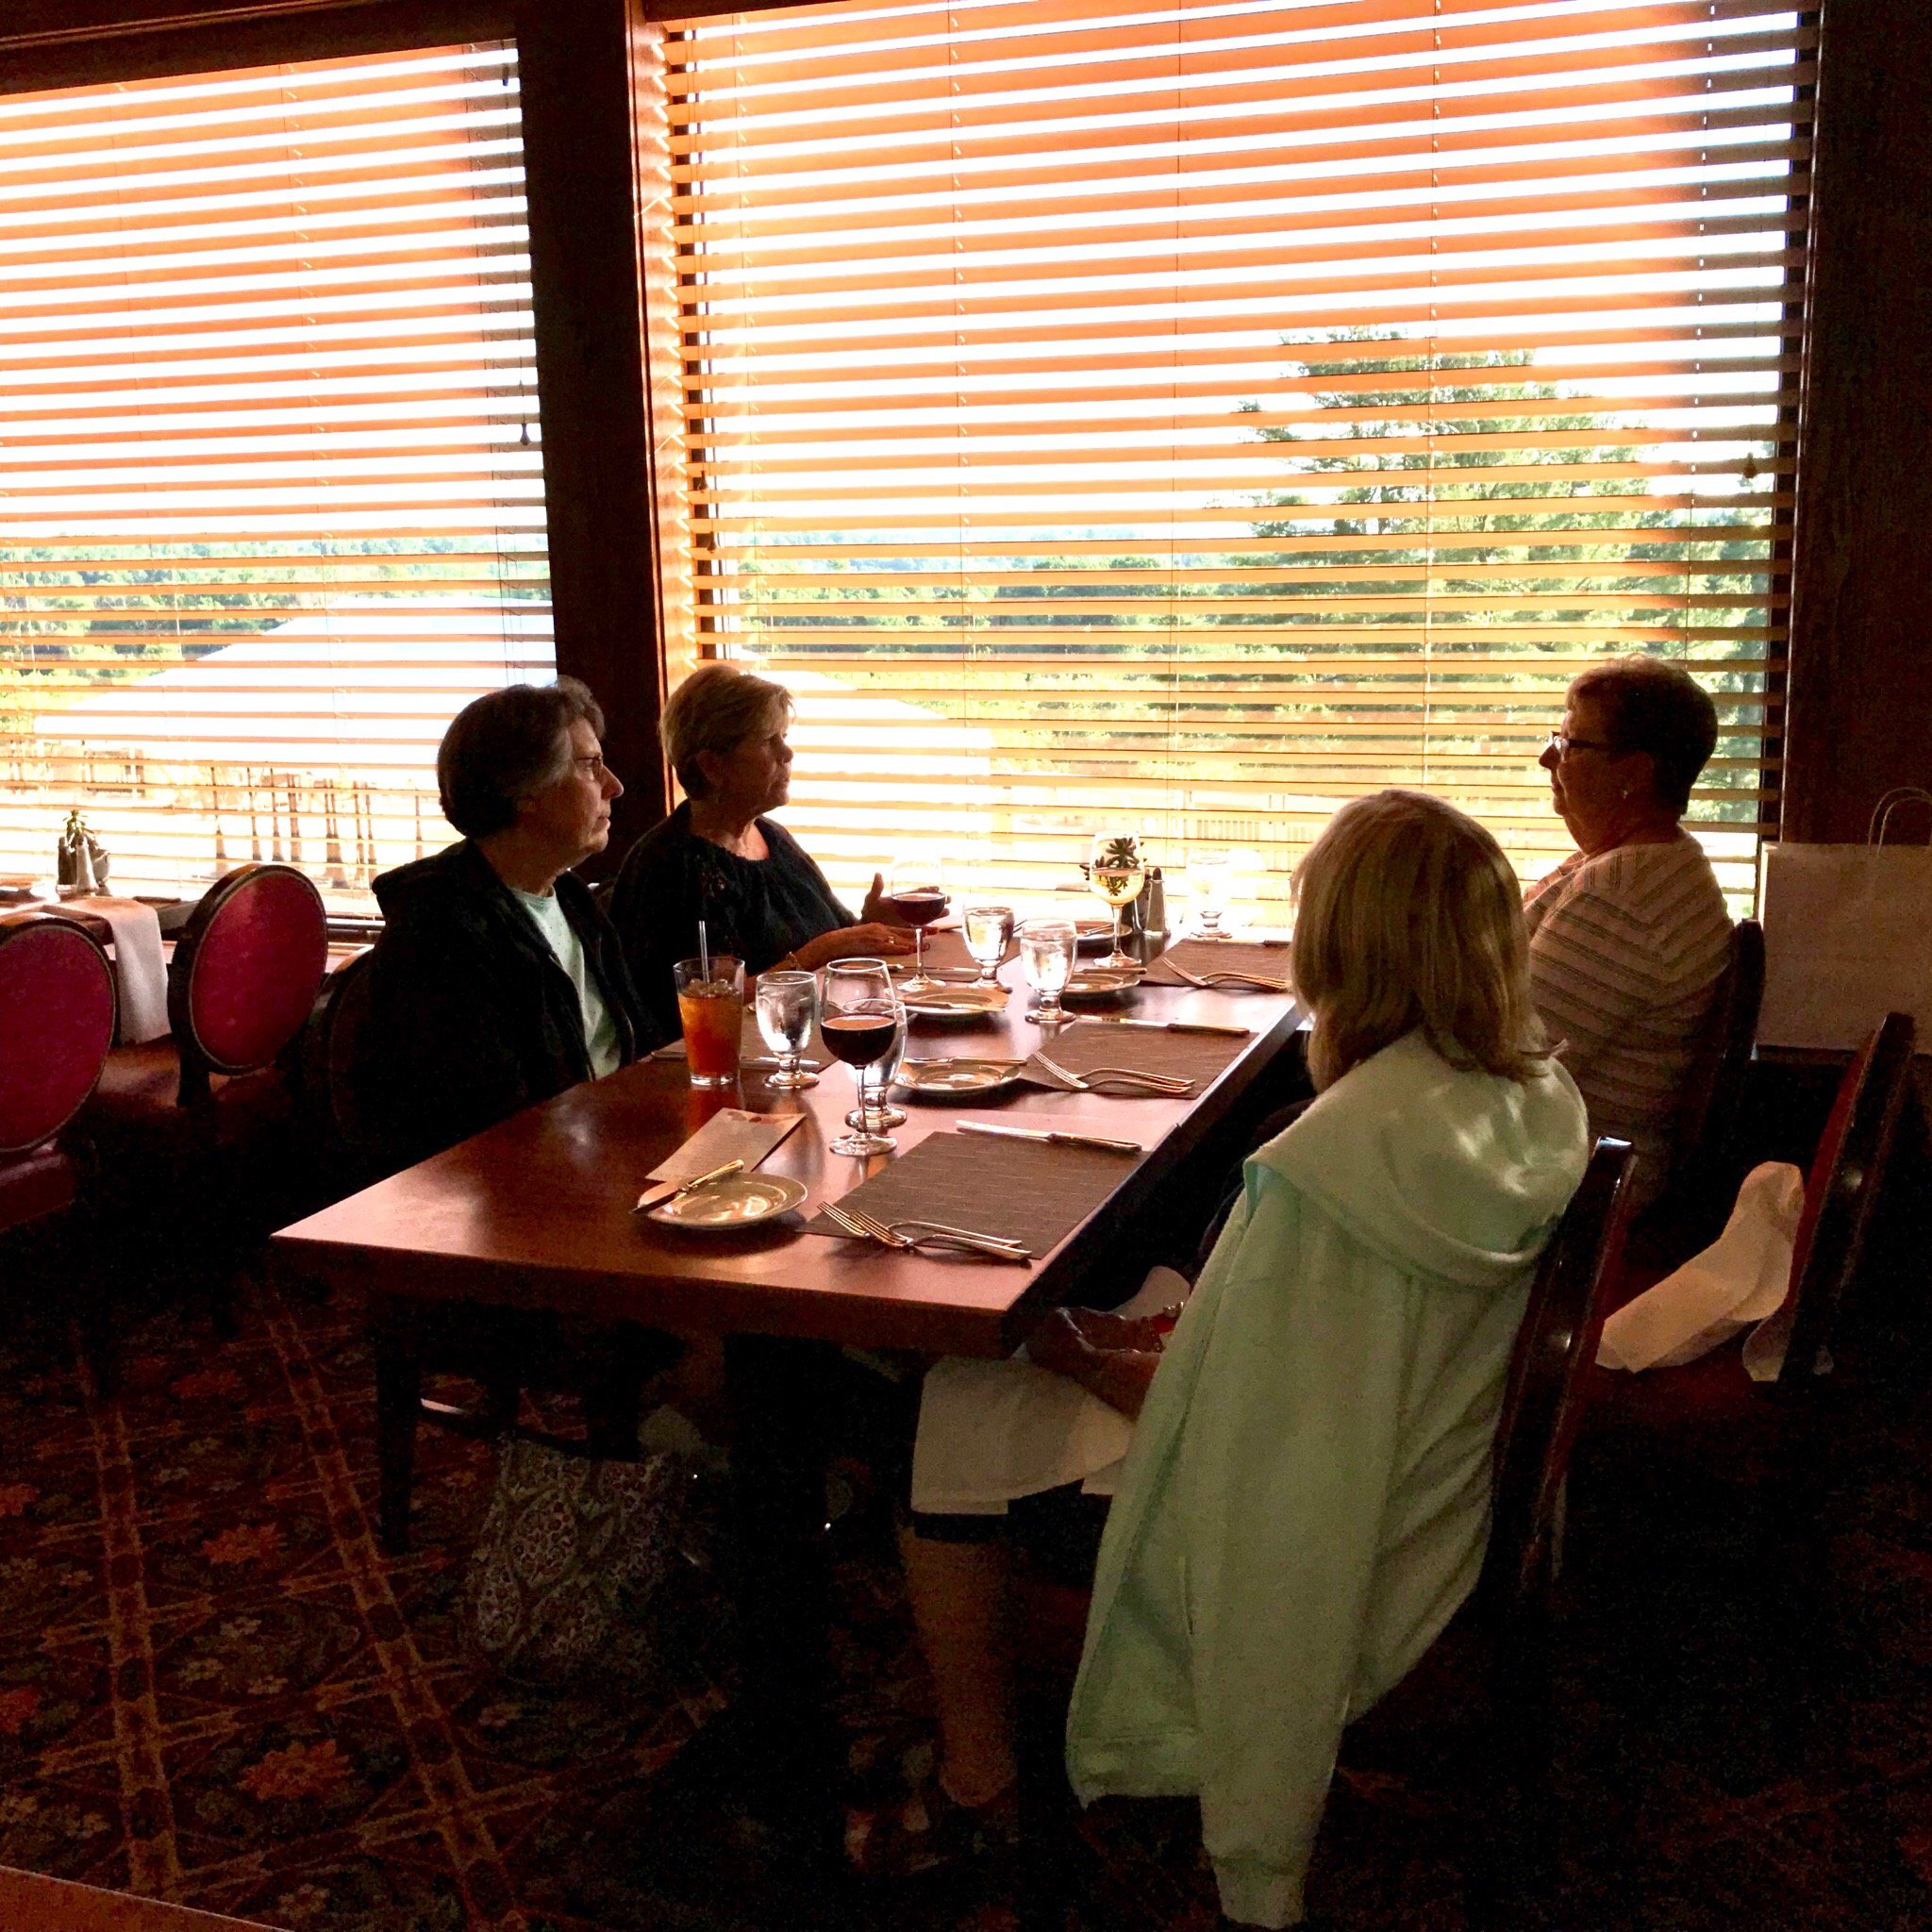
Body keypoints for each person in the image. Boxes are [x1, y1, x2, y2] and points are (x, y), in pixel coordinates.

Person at [892, 791, 1590, 1922]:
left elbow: (1244, 1426)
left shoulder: (1335, 1167)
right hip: (1437, 1452)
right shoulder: (1518, 1091)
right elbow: (1297, 1360)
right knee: (1103, 1312)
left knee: (952, 1402)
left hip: (1343, 1513)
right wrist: (1141, 1331)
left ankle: (984, 1780)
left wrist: (1071, 1347)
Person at [358, 677, 663, 1173]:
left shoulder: (571, 900)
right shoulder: (439, 935)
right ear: (526, 791)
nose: (615, 786)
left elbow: (636, 1051)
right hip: (528, 1193)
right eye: (589, 766)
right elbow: (486, 1129)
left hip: (612, 1155)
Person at [1526, 656, 1734, 1207]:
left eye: (1571, 743)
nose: (1549, 756)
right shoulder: (1636, 863)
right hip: (1548, 1150)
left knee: (1301, 1133)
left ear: (1634, 774)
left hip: (1572, 1179)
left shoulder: (1624, 894)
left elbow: (1512, 1060)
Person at [610, 661, 911, 1038]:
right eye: (770, 740)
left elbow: (836, 934)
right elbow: (703, 1007)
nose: (787, 754)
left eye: (784, 737)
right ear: (712, 766)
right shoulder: (671, 868)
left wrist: (871, 925)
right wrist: (814, 955)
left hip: (811, 1043)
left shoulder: (772, 837)